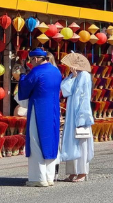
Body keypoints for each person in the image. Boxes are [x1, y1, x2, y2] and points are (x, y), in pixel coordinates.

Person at [17, 47, 62, 187]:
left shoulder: (36, 71)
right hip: (53, 109)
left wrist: (22, 76)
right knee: (51, 141)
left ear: (36, 59)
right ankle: (49, 177)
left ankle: (38, 178)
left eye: (31, 60)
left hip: (39, 109)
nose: (31, 63)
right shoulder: (56, 71)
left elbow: (24, 89)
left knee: (36, 141)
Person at [59, 57, 94, 182]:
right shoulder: (72, 75)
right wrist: (73, 76)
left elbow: (83, 95)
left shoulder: (84, 75)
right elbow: (65, 90)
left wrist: (83, 116)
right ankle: (72, 171)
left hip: (80, 112)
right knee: (70, 140)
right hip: (71, 112)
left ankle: (82, 171)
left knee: (81, 142)